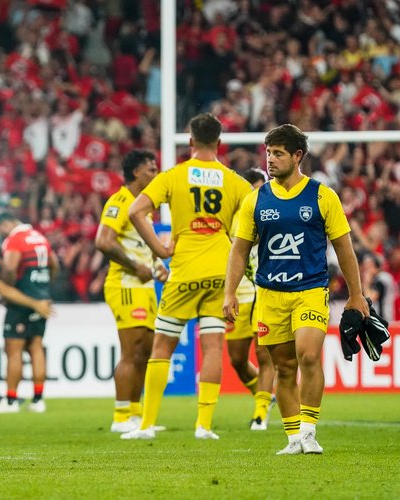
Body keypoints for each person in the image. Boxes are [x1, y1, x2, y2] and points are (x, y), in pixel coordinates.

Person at [222, 124, 368, 455]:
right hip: (269, 295)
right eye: (268, 152)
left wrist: (356, 294)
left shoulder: (322, 195)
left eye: (278, 153)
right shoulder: (255, 200)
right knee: (284, 368)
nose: (270, 160)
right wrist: (230, 293)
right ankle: (293, 439)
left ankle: (310, 430)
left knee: (308, 354)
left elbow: (344, 248)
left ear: (297, 156)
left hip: (311, 289)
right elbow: (239, 250)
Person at [121, 113, 252, 440]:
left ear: (190, 141)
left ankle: (147, 425)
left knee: (162, 347)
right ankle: (204, 426)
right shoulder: (234, 180)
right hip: (220, 271)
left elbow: (135, 211)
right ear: (219, 143)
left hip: (185, 270)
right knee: (211, 348)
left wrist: (160, 250)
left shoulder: (174, 176)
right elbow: (258, 217)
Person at [94, 149, 164, 433]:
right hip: (124, 285)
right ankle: (121, 416)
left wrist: (156, 264)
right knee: (131, 350)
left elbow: (141, 247)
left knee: (145, 351)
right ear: (136, 172)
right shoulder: (120, 201)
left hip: (144, 286)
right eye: (151, 169)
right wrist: (136, 266)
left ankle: (135, 413)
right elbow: (104, 241)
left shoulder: (144, 207)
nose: (155, 174)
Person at [0, 213, 59, 414]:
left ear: (5, 224)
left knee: (13, 349)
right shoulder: (39, 237)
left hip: (22, 301)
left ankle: (11, 400)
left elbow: (9, 267)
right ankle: (38, 400)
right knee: (36, 346)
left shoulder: (14, 240)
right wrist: (43, 287)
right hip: (42, 298)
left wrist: (8, 288)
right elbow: (55, 265)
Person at [225, 169, 276, 430]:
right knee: (237, 360)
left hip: (265, 291)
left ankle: (260, 413)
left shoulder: (272, 213)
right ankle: (266, 395)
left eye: (261, 188)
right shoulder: (234, 216)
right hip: (240, 294)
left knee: (263, 354)